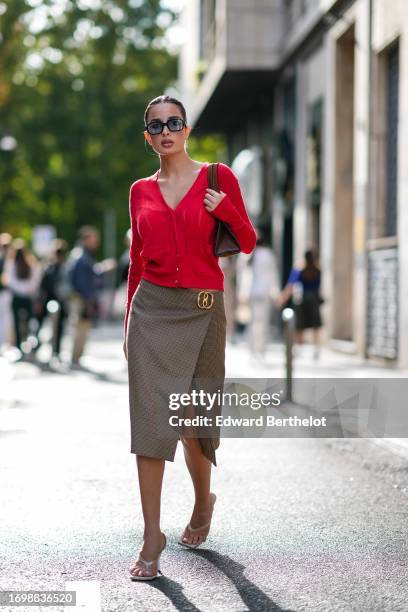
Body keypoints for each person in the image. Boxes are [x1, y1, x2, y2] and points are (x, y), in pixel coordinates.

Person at [124, 94, 257, 580]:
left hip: (203, 308)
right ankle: (151, 534)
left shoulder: (218, 178)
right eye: (156, 125)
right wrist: (127, 325)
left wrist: (227, 211)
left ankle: (203, 501)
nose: (165, 130)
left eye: (174, 122)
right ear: (148, 136)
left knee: (191, 421)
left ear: (186, 130)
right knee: (150, 424)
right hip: (151, 310)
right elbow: (136, 263)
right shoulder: (140, 190)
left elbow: (246, 241)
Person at [67, 226, 115, 365]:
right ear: (86, 239)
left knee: (82, 328)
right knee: (80, 329)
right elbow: (85, 279)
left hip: (82, 298)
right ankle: (75, 358)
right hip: (81, 298)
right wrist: (88, 299)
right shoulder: (81, 256)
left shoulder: (81, 254)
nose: (96, 243)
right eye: (94, 239)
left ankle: (77, 357)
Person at [275, 248, 323, 359]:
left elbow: (290, 286)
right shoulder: (317, 270)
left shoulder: (299, 270)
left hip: (301, 301)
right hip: (314, 300)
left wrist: (282, 298)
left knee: (300, 327)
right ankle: (316, 350)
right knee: (316, 326)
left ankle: (299, 349)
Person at [34, 239, 70, 359]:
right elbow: (42, 286)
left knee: (59, 328)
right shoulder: (49, 268)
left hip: (59, 302)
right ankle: (36, 348)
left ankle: (56, 352)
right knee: (39, 327)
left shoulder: (65, 268)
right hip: (46, 300)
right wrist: (39, 302)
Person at [4, 238, 42, 353]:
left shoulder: (11, 264)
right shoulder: (30, 263)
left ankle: (20, 345)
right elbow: (35, 280)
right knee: (29, 321)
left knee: (17, 322)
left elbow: (10, 281)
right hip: (27, 297)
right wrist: (28, 289)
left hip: (17, 297)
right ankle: (28, 343)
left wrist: (21, 290)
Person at [247, 231, 280, 360]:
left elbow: (246, 276)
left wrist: (243, 294)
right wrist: (275, 293)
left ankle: (253, 349)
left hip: (253, 292)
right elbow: (273, 275)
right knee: (263, 322)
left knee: (254, 321)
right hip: (264, 293)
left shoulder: (251, 255)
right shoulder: (268, 255)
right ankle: (260, 349)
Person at [0, 233, 13, 352]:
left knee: (6, 319)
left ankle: (4, 343)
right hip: (3, 292)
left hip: (6, 293)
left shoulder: (10, 259)